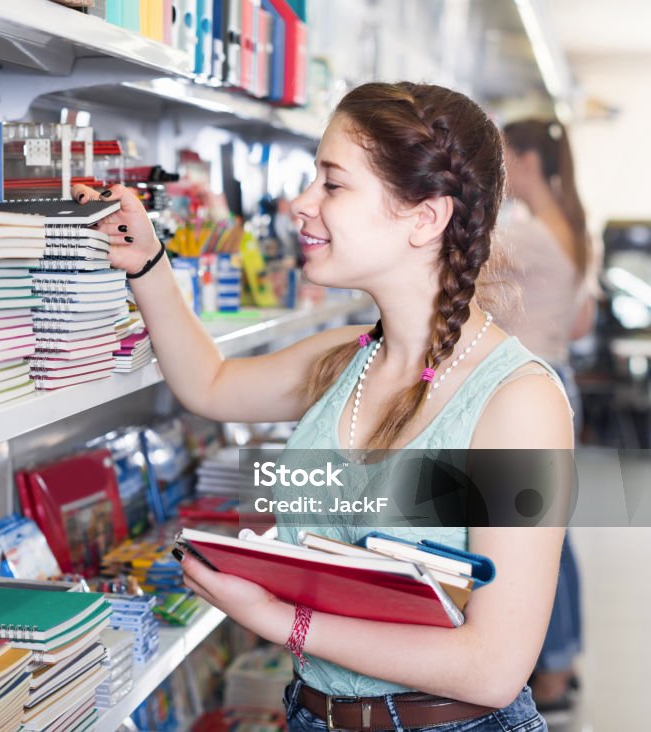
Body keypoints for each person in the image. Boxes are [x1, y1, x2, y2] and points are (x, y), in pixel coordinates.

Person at [73, 81, 572, 732]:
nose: (301, 203)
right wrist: (149, 265)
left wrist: (278, 619)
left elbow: (494, 667)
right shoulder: (349, 356)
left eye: (332, 184)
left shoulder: (520, 402)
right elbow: (211, 384)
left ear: (425, 217)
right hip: (314, 715)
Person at [500, 118, 592, 712]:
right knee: (552, 533)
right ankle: (561, 661)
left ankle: (552, 678)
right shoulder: (575, 229)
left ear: (527, 160)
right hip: (560, 380)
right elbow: (580, 322)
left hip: (531, 388)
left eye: (503, 156)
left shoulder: (525, 233)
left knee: (537, 539)